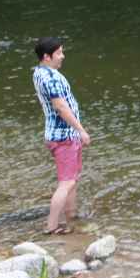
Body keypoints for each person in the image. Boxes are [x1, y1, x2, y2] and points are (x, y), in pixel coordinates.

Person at [32, 37, 90, 235]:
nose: (62, 56)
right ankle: (52, 226)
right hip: (63, 136)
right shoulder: (50, 77)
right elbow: (60, 106)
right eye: (59, 53)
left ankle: (71, 217)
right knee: (66, 182)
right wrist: (80, 129)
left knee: (72, 179)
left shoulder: (41, 73)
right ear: (47, 57)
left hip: (62, 134)